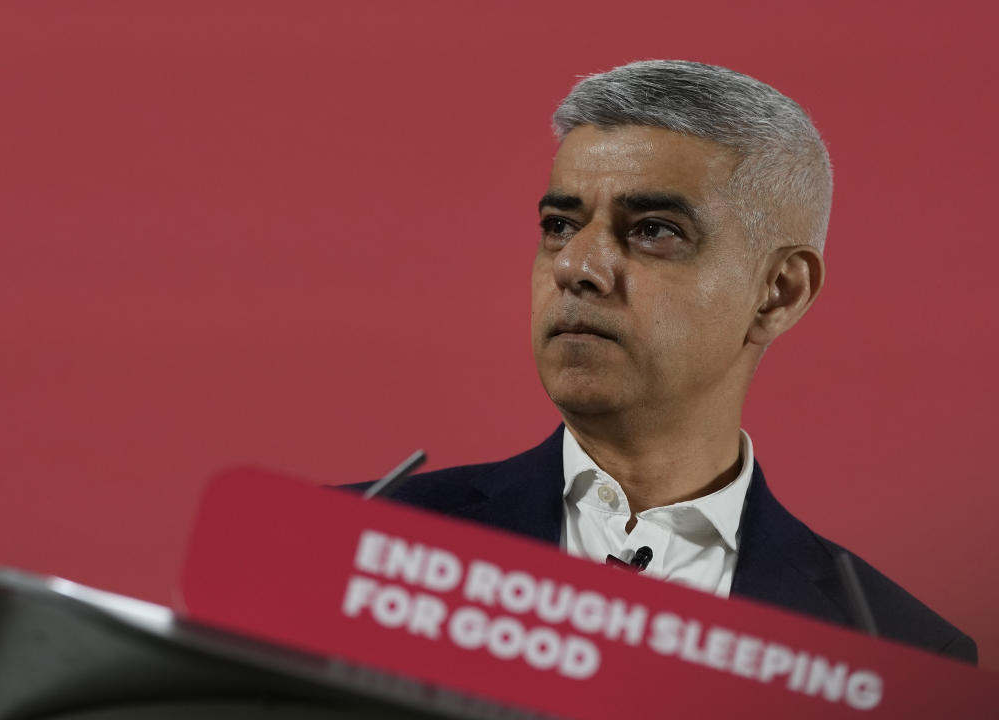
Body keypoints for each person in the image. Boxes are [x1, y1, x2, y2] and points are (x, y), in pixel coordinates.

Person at [361, 59, 976, 662]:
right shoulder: (349, 545)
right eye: (560, 224)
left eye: (654, 229)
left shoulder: (901, 657)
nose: (576, 266)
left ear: (778, 291)